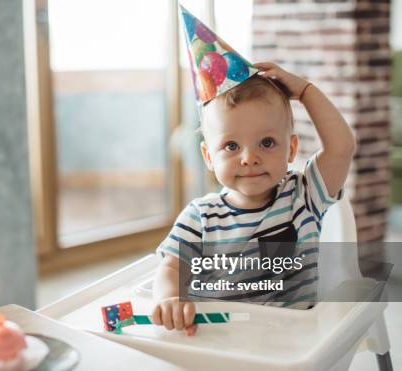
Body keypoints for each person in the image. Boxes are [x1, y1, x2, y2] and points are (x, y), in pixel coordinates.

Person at [152, 62, 356, 336]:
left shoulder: (303, 196)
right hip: (220, 338)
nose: (249, 158)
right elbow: (172, 267)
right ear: (209, 157)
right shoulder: (200, 216)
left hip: (290, 341)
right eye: (231, 146)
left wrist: (306, 91)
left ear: (291, 148)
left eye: (267, 142)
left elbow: (341, 147)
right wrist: (169, 300)